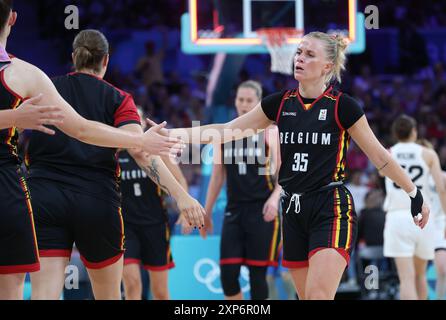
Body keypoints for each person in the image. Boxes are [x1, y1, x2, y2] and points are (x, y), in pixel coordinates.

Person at [151, 31, 429, 300]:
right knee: (306, 297)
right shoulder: (279, 103)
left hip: (330, 207)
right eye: (298, 52)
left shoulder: (343, 106)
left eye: (309, 54)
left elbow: (380, 157)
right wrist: (174, 134)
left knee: (319, 296)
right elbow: (225, 130)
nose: (300, 58)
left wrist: (413, 193)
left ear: (327, 66)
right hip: (293, 210)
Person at [0, 1, 196, 301]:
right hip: (97, 200)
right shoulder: (119, 99)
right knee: (107, 294)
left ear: (73, 58)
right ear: (106, 60)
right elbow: (141, 151)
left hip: (44, 197)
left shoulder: (41, 86)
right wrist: (181, 195)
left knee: (43, 294)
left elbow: (25, 131)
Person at [201, 81, 281, 300]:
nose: (244, 105)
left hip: (262, 211)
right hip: (234, 211)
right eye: (240, 100)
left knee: (257, 278)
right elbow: (217, 176)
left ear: (258, 103)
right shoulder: (225, 132)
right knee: (228, 276)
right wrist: (206, 211)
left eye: (249, 101)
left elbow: (283, 176)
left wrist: (275, 199)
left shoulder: (270, 132)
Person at [121, 108, 190, 300]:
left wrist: (184, 211)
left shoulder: (157, 151)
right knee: (132, 284)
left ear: (143, 123)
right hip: (126, 226)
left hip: (155, 224)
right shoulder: (114, 152)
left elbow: (180, 181)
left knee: (160, 292)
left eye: (136, 118)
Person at [383, 116, 446, 300]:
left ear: (395, 134)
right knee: (420, 277)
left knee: (406, 279)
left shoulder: (388, 153)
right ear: (414, 131)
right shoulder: (427, 154)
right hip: (423, 217)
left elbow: (380, 172)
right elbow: (441, 188)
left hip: (397, 217)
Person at [417, 139, 446, 300]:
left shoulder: (442, 176)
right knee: (415, 273)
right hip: (419, 224)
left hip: (439, 224)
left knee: (442, 270)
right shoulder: (412, 177)